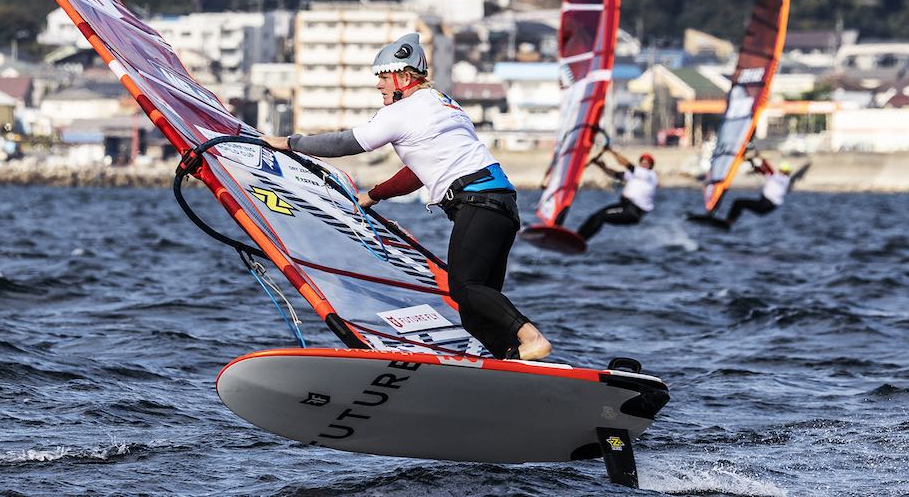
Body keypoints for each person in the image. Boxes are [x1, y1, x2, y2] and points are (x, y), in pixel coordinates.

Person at [261, 33, 551, 361]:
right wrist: (374, 195)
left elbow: (348, 143)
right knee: (474, 309)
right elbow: (418, 172)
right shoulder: (442, 104)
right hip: (501, 206)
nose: (379, 85)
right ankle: (513, 360)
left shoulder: (406, 110)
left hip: (477, 203)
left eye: (383, 77)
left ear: (404, 77)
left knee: (464, 288)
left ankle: (531, 336)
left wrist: (290, 143)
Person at [577, 150, 657, 242]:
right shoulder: (635, 176)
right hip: (624, 206)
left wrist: (610, 150)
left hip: (633, 211)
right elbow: (615, 174)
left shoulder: (649, 175)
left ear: (651, 166)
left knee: (601, 216)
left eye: (647, 162)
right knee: (596, 216)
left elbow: (626, 164)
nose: (644, 163)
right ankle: (578, 236)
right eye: (642, 161)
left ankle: (582, 240)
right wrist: (601, 166)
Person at [723, 158, 791, 227]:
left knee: (739, 203)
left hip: (766, 205)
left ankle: (728, 223)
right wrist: (757, 165)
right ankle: (729, 222)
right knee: (739, 203)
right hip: (765, 204)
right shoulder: (779, 178)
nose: (780, 172)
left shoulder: (782, 178)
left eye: (782, 171)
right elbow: (766, 172)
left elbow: (769, 172)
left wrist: (762, 162)